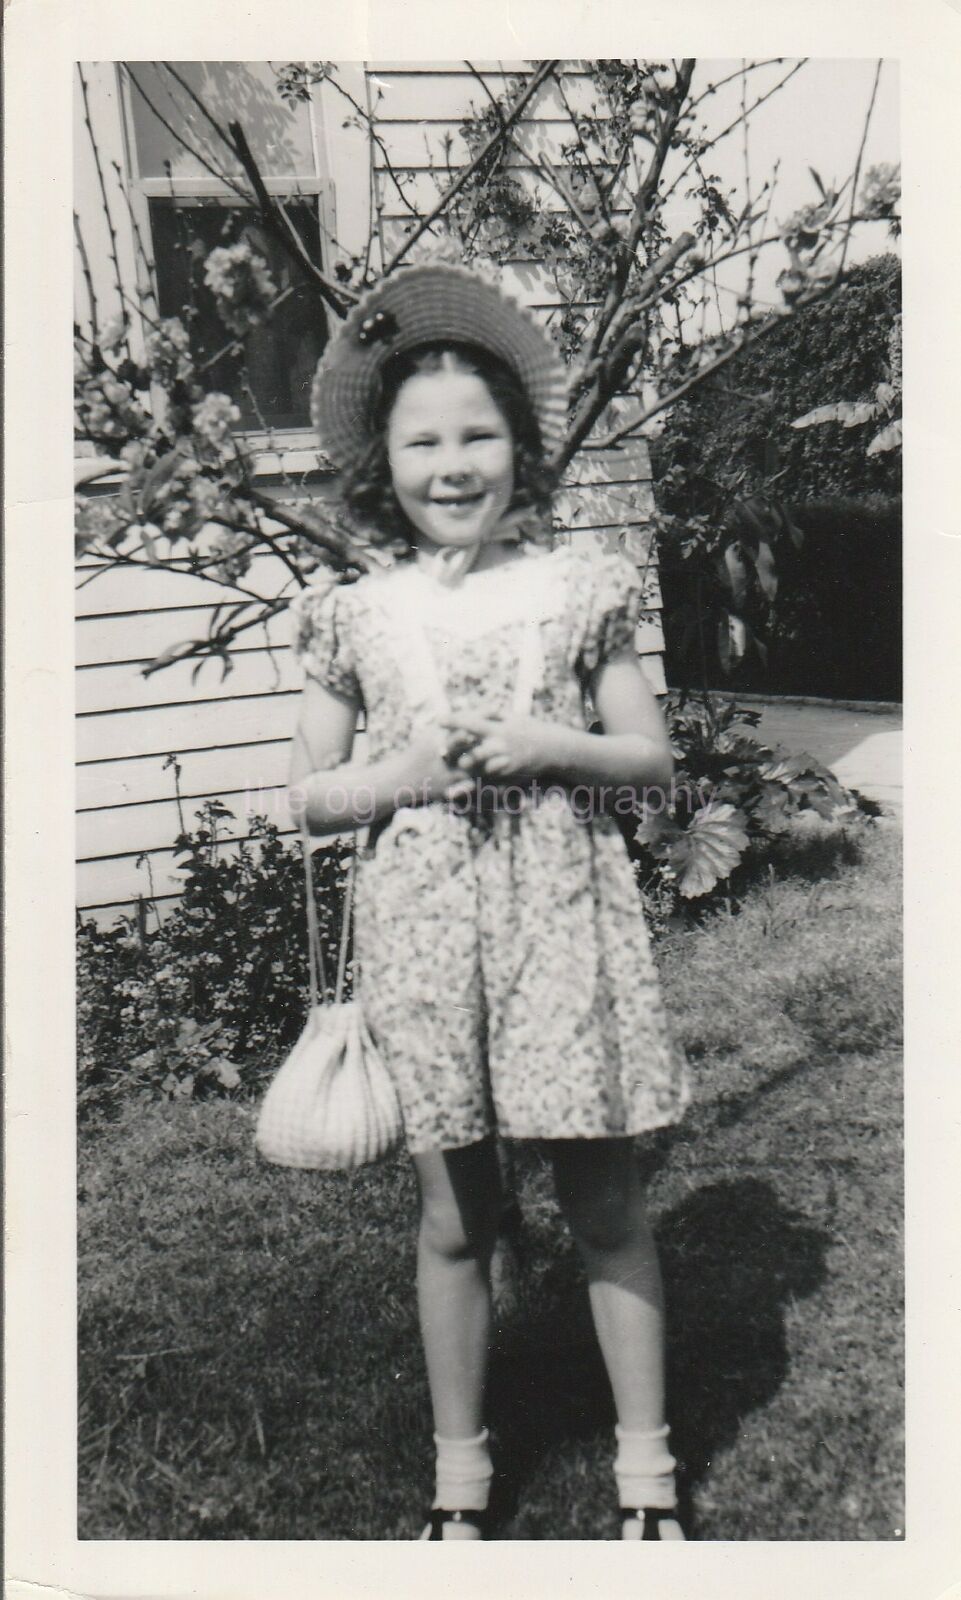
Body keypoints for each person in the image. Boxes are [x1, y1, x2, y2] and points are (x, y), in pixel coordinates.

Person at [287, 263, 691, 1540]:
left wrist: (546, 743)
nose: (453, 464)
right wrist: (397, 774)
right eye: (423, 442)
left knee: (607, 1203)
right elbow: (303, 797)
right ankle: (459, 1488)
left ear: (520, 446)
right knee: (457, 1216)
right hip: (425, 936)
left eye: (478, 435)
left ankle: (647, 1481)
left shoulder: (581, 591)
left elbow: (650, 754)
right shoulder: (353, 613)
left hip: (560, 928)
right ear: (382, 463)